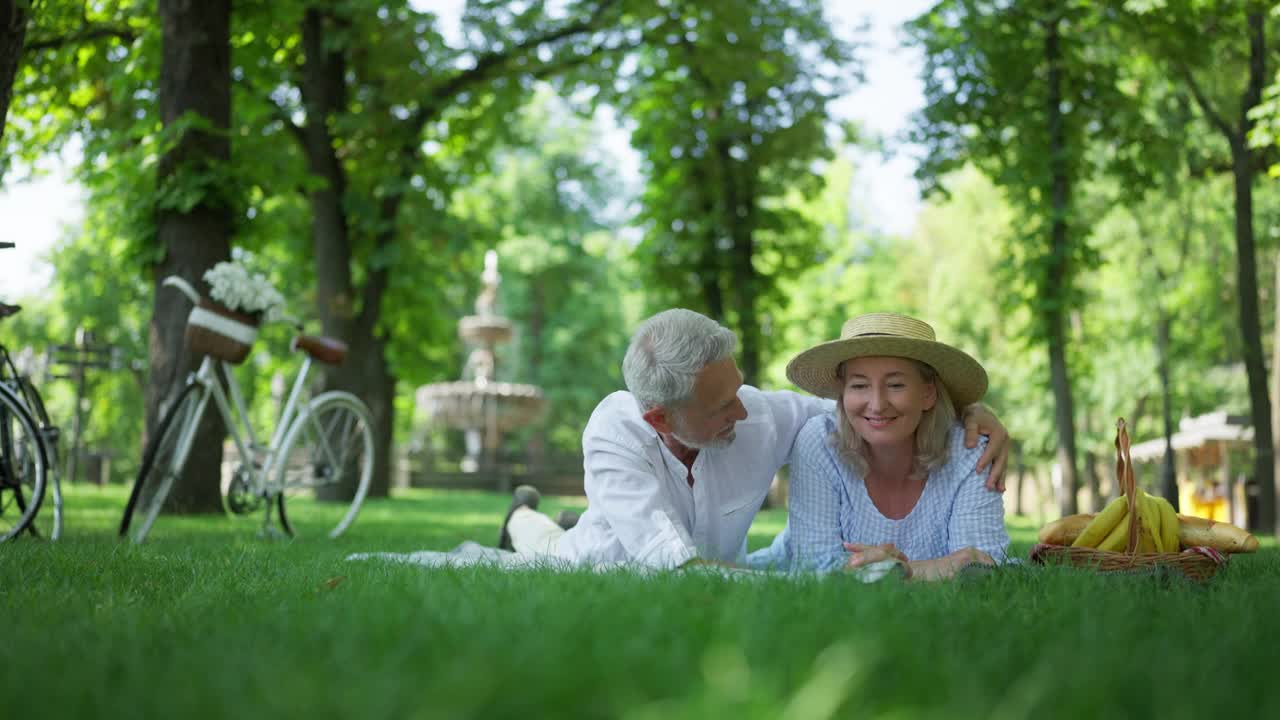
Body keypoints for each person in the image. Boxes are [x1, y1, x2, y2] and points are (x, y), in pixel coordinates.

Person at [498, 308, 1010, 570]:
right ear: (659, 419)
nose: (742, 410)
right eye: (723, 406)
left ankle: (546, 517)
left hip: (706, 553)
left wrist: (968, 410)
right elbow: (678, 570)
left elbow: (855, 415)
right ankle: (521, 517)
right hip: (604, 557)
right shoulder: (615, 433)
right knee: (547, 547)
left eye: (738, 391)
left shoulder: (756, 414)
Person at [754, 312, 1008, 580]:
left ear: (928, 393)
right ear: (843, 392)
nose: (877, 404)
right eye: (860, 385)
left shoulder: (970, 451)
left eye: (896, 385)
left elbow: (982, 570)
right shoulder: (820, 441)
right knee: (718, 571)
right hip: (774, 569)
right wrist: (912, 572)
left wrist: (899, 573)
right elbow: (813, 571)